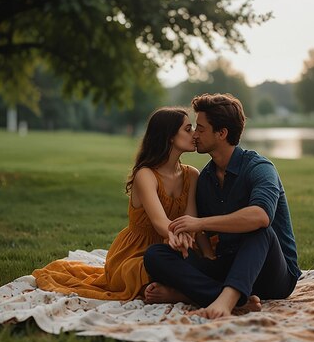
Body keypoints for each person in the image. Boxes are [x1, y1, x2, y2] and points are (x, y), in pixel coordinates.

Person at [143, 93, 301, 319]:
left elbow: (261, 216)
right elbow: (202, 235)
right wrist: (190, 241)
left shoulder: (260, 168)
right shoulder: (205, 178)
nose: (195, 135)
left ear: (222, 133)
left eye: (201, 128)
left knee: (259, 230)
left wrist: (199, 223)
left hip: (273, 275)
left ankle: (221, 302)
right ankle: (222, 296)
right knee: (155, 254)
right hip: (228, 266)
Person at [32, 107, 212, 300]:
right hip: (135, 252)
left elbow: (190, 218)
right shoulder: (146, 175)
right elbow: (160, 223)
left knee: (199, 263)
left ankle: (177, 292)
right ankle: (178, 290)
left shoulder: (192, 174)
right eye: (188, 129)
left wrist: (186, 238)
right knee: (145, 273)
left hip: (174, 243)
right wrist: (178, 236)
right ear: (169, 136)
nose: (194, 134)